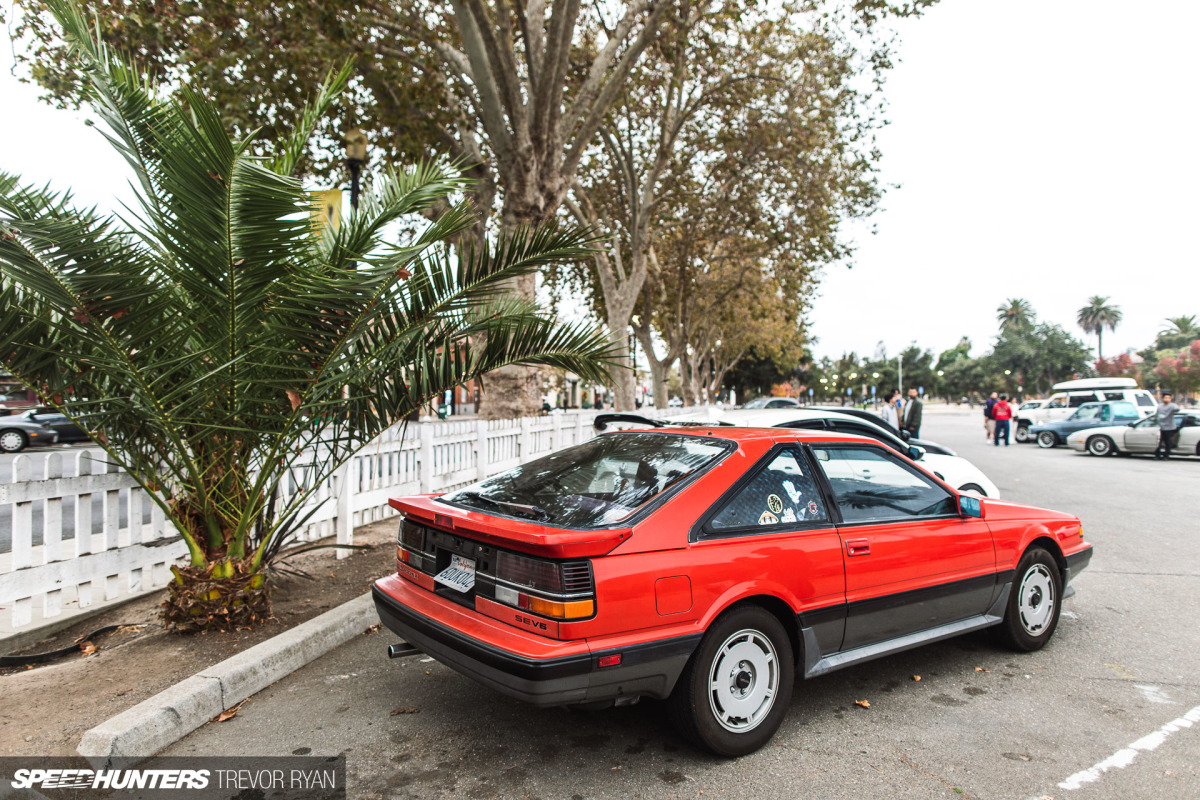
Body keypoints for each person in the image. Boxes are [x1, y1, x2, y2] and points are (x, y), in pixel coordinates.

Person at [1155, 392, 1181, 459]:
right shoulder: (1160, 406)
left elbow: (1177, 409)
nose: (1167, 399)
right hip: (1162, 427)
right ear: (1162, 398)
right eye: (1165, 398)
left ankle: (1166, 455)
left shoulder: (1172, 406)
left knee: (1168, 442)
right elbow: (1157, 415)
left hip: (1170, 427)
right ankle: (1158, 455)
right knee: (1160, 442)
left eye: (1168, 398)